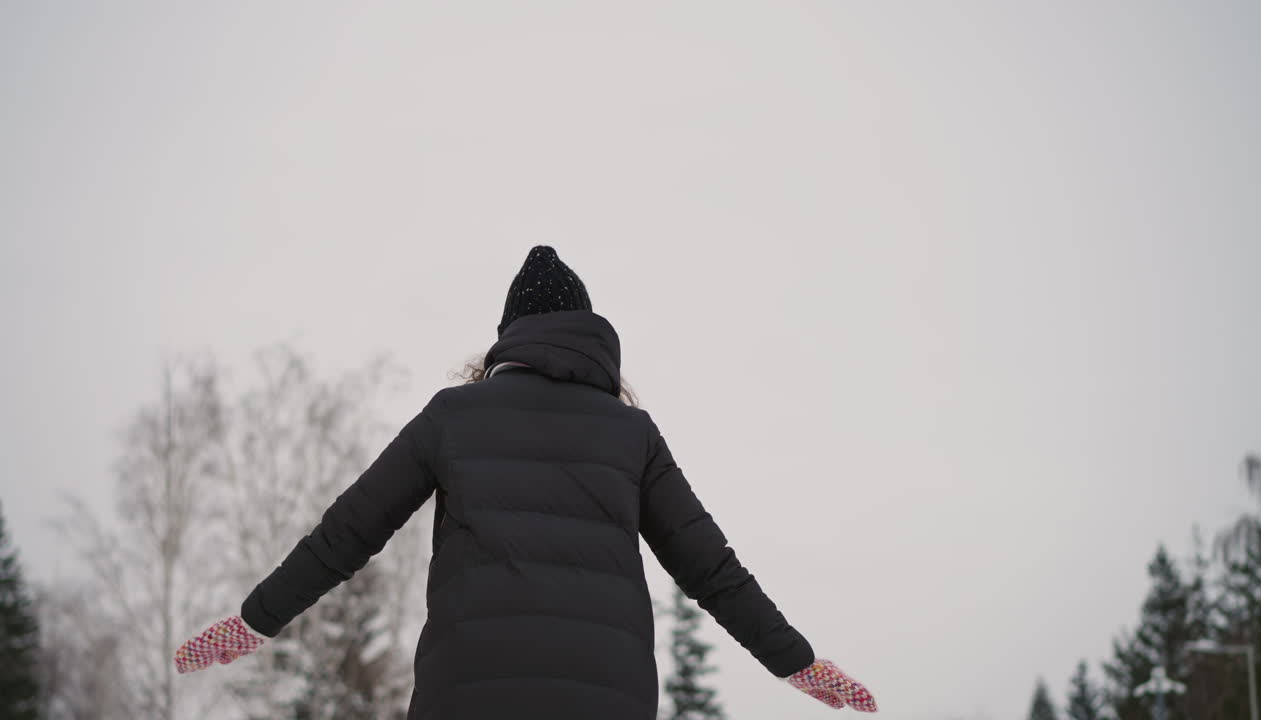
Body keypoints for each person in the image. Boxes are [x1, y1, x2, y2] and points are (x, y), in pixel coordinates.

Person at [174, 246, 877, 719]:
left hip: (467, 693)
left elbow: (346, 532)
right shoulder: (631, 434)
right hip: (605, 697)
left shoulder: (453, 416)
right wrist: (798, 662)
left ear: (509, 336)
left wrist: (254, 620)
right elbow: (712, 570)